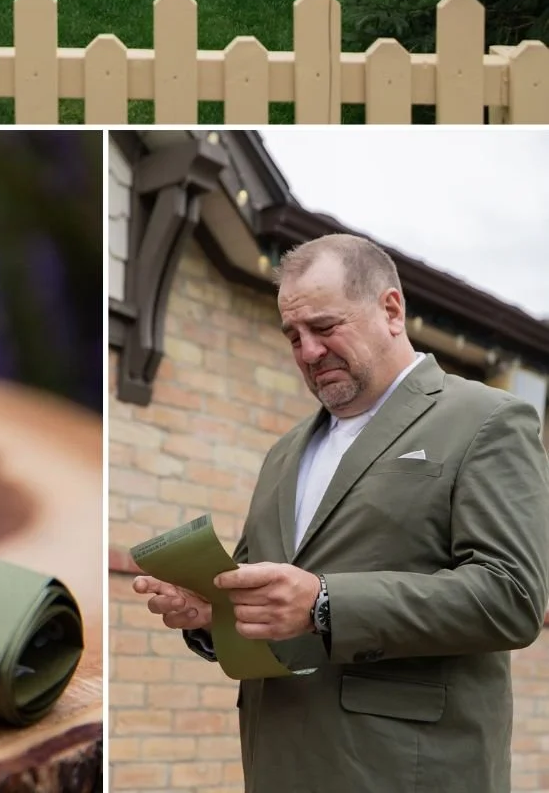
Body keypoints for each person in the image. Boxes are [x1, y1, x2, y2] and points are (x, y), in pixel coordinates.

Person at [133, 232, 549, 793]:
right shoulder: (284, 452)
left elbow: (513, 597)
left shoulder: (487, 419)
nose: (308, 352)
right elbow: (267, 604)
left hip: (404, 772)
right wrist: (216, 617)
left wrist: (325, 603)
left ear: (391, 310)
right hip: (275, 762)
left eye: (325, 328)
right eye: (293, 336)